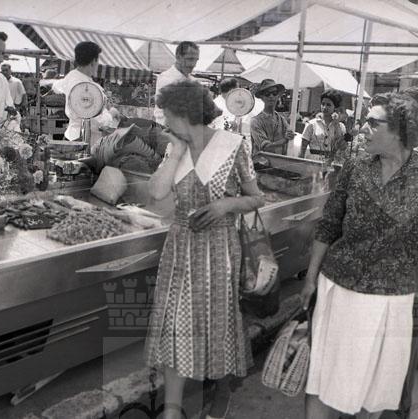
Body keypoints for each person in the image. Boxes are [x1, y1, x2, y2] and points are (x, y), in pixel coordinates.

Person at [144, 80, 264, 419]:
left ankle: (222, 393)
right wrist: (175, 153)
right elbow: (156, 192)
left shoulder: (233, 145)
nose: (165, 121)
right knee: (175, 327)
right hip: (180, 248)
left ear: (184, 113)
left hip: (220, 250)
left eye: (168, 114)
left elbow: (257, 197)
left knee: (218, 324)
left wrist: (226, 205)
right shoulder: (176, 148)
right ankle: (172, 410)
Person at [300, 92, 418, 419]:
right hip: (340, 288)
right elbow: (329, 222)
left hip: (392, 297)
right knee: (323, 378)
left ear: (400, 129)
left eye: (373, 122)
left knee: (371, 388)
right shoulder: (356, 165)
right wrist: (310, 278)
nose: (362, 128)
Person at [52, 41, 107, 142]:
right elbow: (93, 117)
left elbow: (56, 86)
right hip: (83, 138)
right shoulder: (85, 86)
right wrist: (110, 116)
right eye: (97, 61)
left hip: (73, 135)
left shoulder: (72, 76)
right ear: (93, 62)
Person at [153, 41, 200, 126]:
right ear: (178, 57)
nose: (193, 64)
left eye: (196, 60)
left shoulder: (193, 81)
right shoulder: (167, 78)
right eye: (190, 59)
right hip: (167, 129)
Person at [298, 89, 347, 161]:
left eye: (328, 105)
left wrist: (336, 124)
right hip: (313, 161)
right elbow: (302, 148)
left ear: (335, 107)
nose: (324, 107)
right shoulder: (311, 124)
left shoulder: (341, 126)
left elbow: (342, 146)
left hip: (331, 161)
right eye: (323, 104)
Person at [250, 78, 295, 155]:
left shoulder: (281, 119)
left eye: (274, 93)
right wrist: (284, 140)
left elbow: (289, 133)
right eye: (267, 94)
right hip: (260, 161)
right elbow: (265, 146)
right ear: (262, 97)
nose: (271, 96)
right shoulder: (255, 121)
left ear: (278, 96)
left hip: (279, 160)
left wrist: (290, 134)